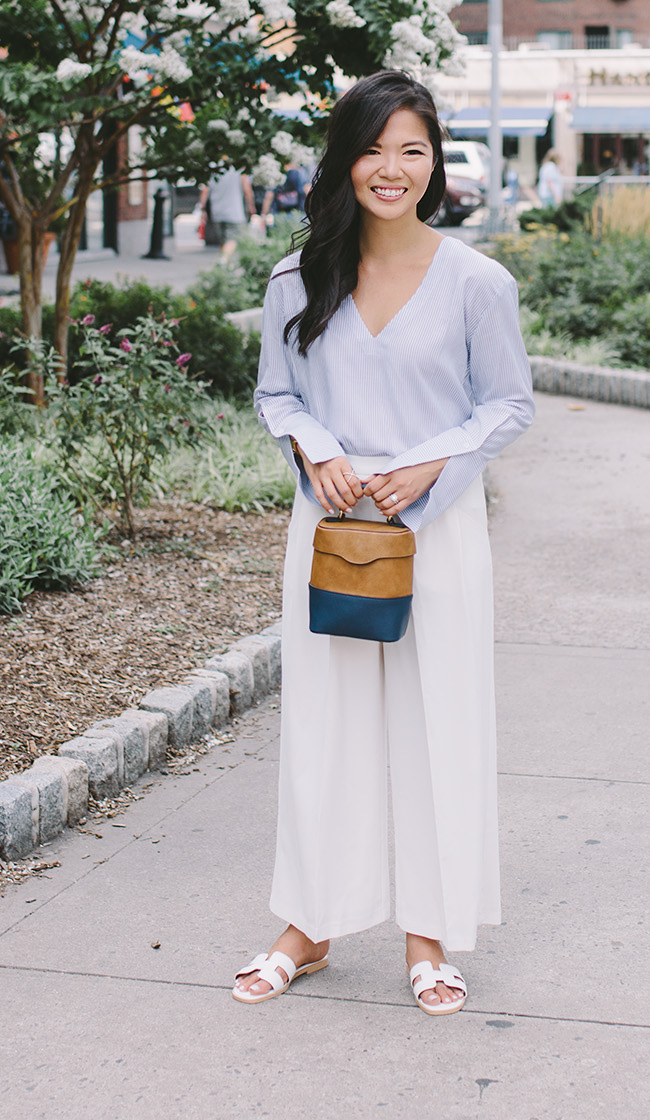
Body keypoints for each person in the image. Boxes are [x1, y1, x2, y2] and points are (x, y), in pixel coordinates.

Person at [239, 70, 534, 1016]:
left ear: (435, 162)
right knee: (323, 729)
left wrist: (427, 467)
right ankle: (310, 926)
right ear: (344, 161)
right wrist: (316, 450)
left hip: (434, 527)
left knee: (438, 723)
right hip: (331, 529)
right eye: (372, 149)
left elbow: (507, 405)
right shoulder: (297, 278)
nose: (391, 168)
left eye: (412, 149)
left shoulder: (477, 282)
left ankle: (429, 934)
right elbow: (276, 394)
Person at [198, 164, 254, 258]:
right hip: (235, 212)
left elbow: (205, 190)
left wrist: (202, 209)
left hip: (216, 212)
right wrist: (251, 205)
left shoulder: (212, 167)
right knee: (233, 239)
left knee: (223, 242)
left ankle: (225, 263)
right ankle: (223, 260)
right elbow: (246, 189)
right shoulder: (238, 167)